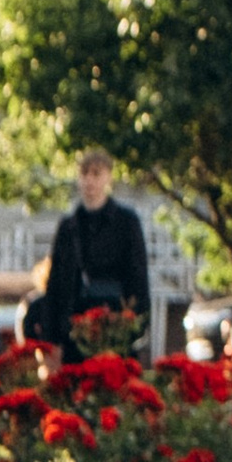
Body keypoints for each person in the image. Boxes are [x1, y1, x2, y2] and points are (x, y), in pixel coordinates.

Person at [32, 154, 152, 362]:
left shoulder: (126, 222)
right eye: (84, 173)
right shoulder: (69, 227)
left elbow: (138, 275)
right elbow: (56, 281)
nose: (89, 180)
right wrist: (52, 335)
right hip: (75, 328)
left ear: (108, 178)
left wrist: (136, 324)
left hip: (115, 325)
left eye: (96, 174)